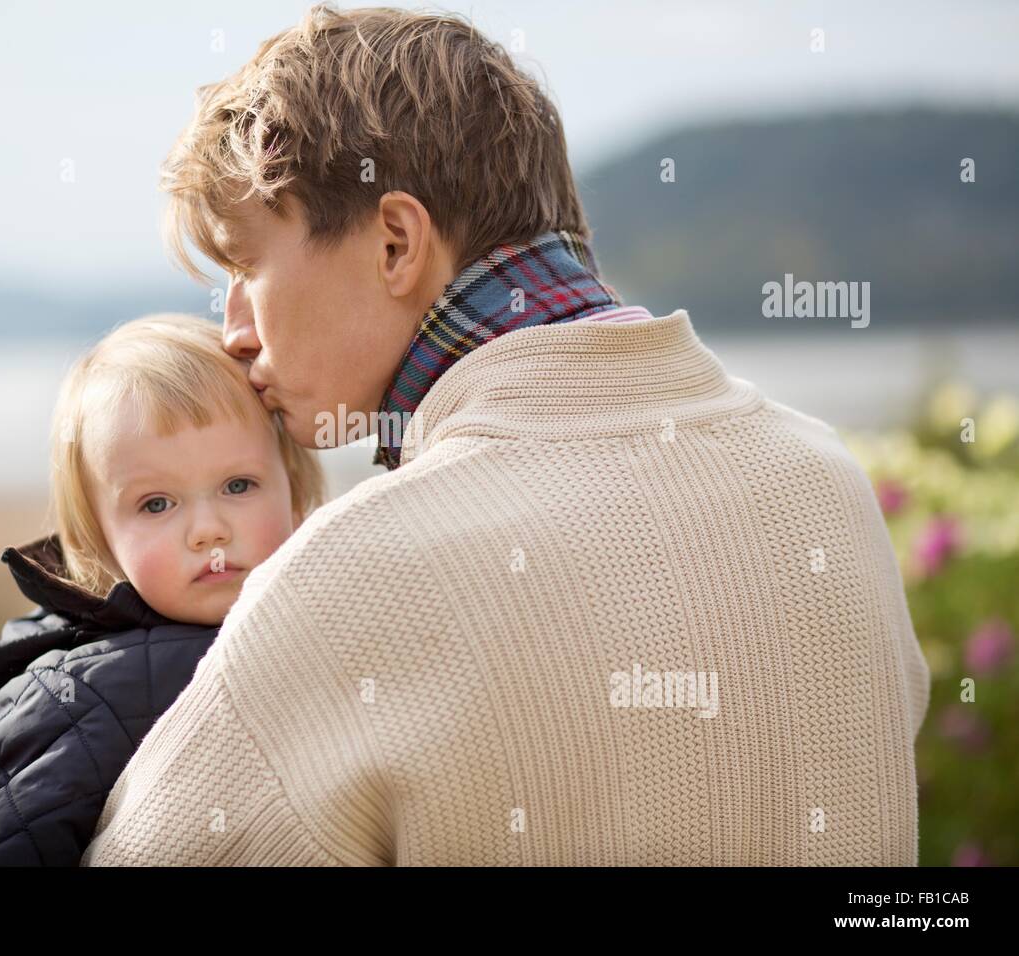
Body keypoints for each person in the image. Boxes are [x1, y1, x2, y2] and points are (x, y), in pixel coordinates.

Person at [82, 5, 930, 866]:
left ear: (396, 244)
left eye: (245, 266)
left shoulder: (349, 582)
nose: (234, 330)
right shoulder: (829, 485)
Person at [0, 313, 324, 865]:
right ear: (100, 543)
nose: (207, 529)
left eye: (238, 485)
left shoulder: (324, 624)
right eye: (156, 504)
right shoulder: (76, 699)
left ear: (295, 497)